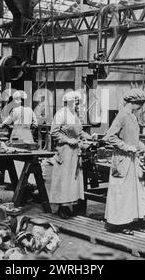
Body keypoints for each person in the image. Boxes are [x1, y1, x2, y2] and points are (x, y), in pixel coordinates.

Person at [103, 89, 145, 233]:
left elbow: (134, 139)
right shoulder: (122, 116)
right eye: (139, 105)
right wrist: (127, 148)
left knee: (129, 193)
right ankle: (118, 223)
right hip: (122, 159)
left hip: (132, 159)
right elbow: (110, 137)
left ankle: (127, 221)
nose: (140, 108)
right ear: (133, 102)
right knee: (121, 193)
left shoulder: (132, 117)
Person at [49, 91, 92, 219]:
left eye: (78, 102)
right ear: (69, 102)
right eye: (76, 102)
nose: (77, 105)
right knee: (64, 180)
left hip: (75, 151)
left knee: (74, 180)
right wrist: (68, 140)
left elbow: (79, 132)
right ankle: (63, 207)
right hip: (65, 150)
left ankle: (72, 205)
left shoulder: (75, 115)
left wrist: (90, 137)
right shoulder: (61, 114)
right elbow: (54, 132)